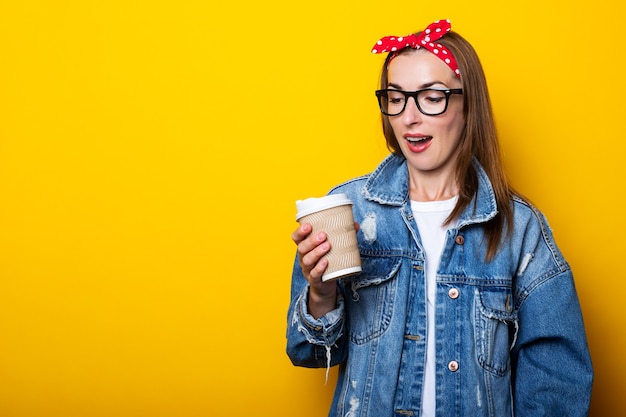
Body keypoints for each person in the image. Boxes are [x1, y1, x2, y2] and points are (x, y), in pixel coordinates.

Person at [286, 19, 593, 417]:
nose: (409, 117)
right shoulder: (347, 209)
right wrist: (321, 295)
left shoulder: (518, 229)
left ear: (469, 105)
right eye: (396, 98)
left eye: (431, 97)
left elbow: (556, 378)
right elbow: (308, 354)